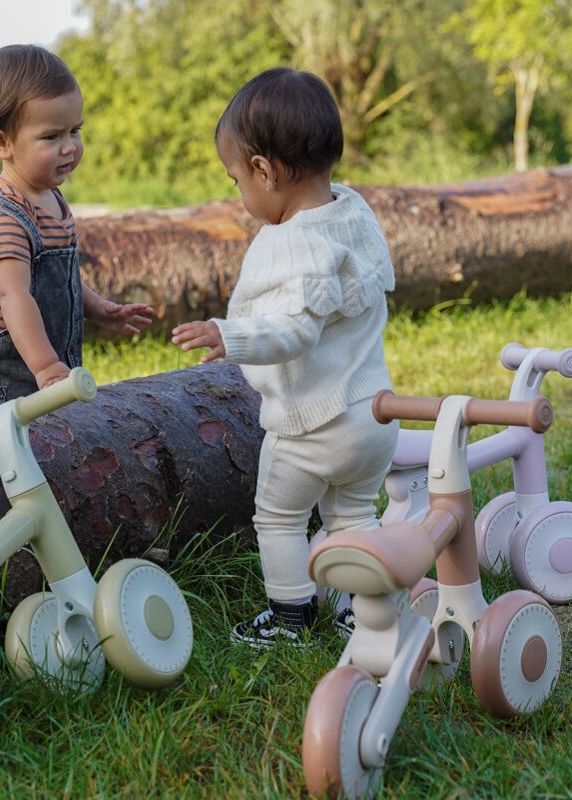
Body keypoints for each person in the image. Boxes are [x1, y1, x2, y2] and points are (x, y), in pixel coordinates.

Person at [171, 68, 398, 648]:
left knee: (278, 517)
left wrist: (231, 337)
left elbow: (293, 330)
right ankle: (362, 609)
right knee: (353, 517)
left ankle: (291, 617)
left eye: (235, 180)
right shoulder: (353, 211)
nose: (239, 195)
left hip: (312, 425)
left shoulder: (289, 241)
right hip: (373, 417)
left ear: (264, 171)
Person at [0, 44, 153, 412]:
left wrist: (98, 307)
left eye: (75, 130)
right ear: (0, 142)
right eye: (52, 137)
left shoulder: (51, 199)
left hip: (45, 379)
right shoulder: (2, 215)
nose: (70, 147)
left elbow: (56, 277)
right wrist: (46, 368)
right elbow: (14, 296)